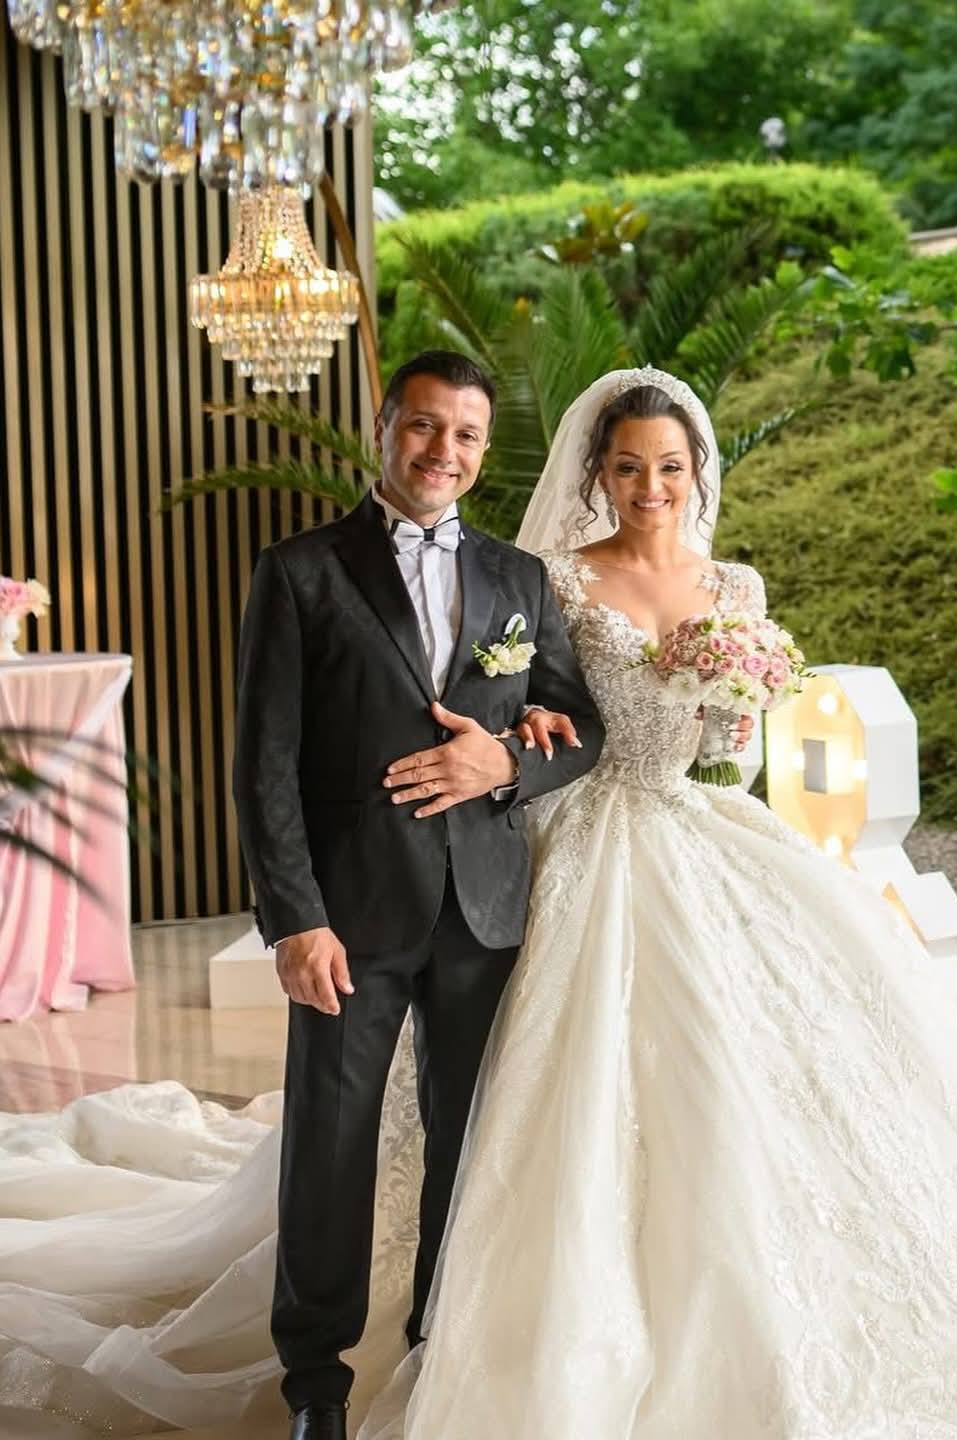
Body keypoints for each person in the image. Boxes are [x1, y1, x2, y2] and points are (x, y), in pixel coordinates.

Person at [0, 367, 957, 1440]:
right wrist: (307, 905)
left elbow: (634, 737)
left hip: (631, 852)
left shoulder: (642, 580)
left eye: (668, 467)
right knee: (396, 1124)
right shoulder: (496, 577)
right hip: (504, 869)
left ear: (694, 472)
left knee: (625, 1107)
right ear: (590, 473)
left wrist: (676, 712)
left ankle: (475, 1326)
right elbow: (319, 750)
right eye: (628, 467)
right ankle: (321, 1374)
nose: (650, 487)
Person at [232, 348, 604, 1440]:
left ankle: (438, 1344)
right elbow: (263, 766)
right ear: (385, 428)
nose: (446, 451)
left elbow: (580, 725)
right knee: (330, 1143)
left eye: (468, 435)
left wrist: (508, 763)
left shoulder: (518, 578)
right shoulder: (300, 572)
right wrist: (295, 920)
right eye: (426, 426)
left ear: (484, 451)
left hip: (484, 910)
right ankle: (316, 1383)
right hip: (347, 916)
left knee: (468, 1138)